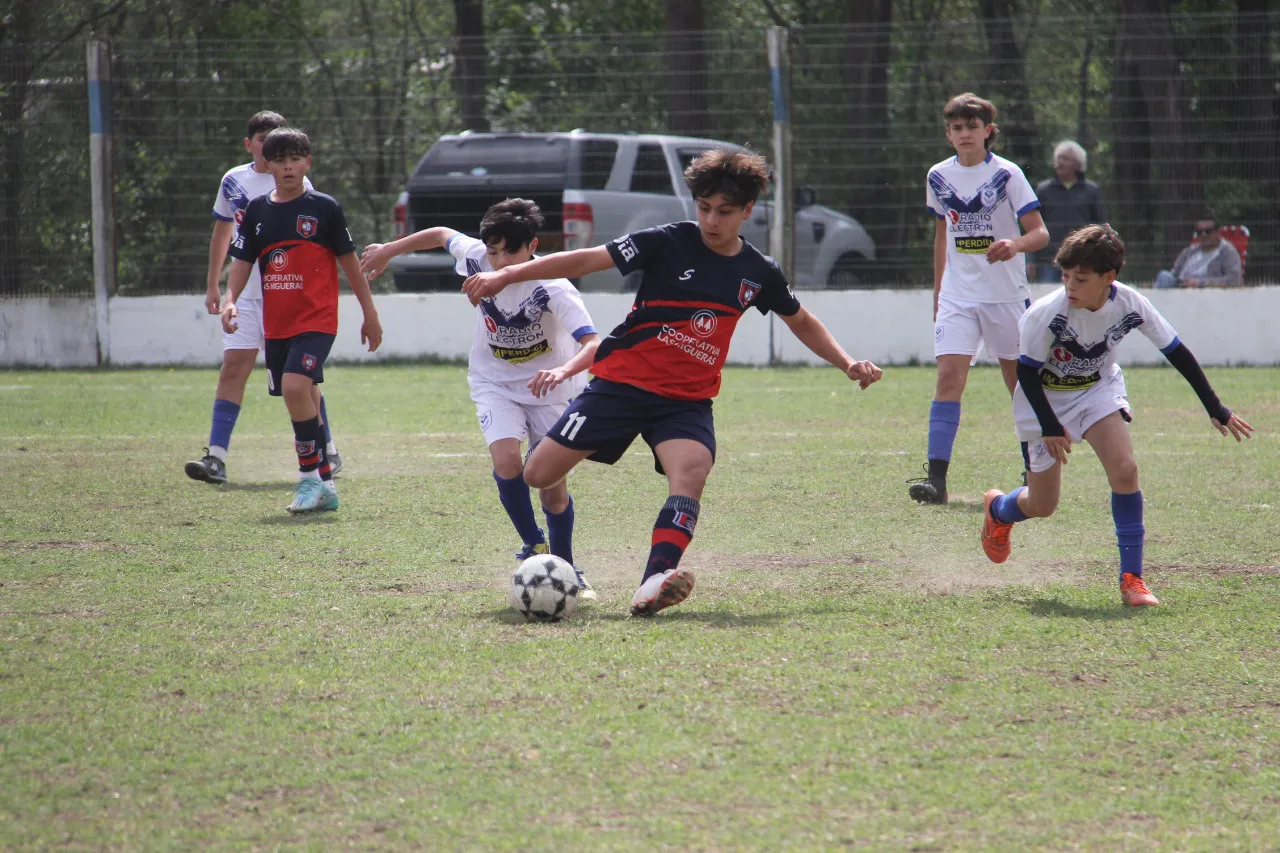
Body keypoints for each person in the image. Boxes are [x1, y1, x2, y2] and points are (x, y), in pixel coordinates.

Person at [462, 148, 883, 617]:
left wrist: (847, 362)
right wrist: (509, 274)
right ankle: (559, 544)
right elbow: (585, 260)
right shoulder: (666, 240)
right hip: (621, 385)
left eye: (724, 211)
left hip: (685, 400)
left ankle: (654, 581)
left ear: (747, 211)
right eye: (704, 208)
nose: (711, 220)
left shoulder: (758, 271)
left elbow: (800, 320)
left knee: (692, 472)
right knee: (538, 474)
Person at [981, 224, 1252, 606]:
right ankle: (999, 509)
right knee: (1043, 505)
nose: (1069, 286)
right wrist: (1050, 426)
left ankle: (1132, 579)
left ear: (1109, 277)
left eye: (1080, 279)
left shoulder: (1130, 304)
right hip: (1045, 400)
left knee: (1125, 470)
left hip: (1096, 391)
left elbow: (1175, 351)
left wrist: (1216, 408)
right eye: (1065, 276)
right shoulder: (1047, 314)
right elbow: (1026, 373)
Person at [359, 199, 602, 600]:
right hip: (495, 383)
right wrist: (388, 249)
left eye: (510, 253)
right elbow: (441, 235)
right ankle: (534, 545)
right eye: (493, 251)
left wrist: (562, 371)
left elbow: (593, 343)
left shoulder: (553, 286)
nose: (499, 262)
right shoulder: (476, 258)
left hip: (551, 391)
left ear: (533, 247)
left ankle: (567, 568)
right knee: (507, 463)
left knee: (551, 487)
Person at [220, 128, 382, 513]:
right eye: (280, 160)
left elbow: (350, 264)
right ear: (267, 165)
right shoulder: (257, 211)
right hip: (277, 323)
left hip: (317, 319)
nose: (288, 167)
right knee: (303, 395)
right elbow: (241, 262)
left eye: (295, 159)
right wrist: (230, 301)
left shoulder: (324, 207)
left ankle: (309, 478)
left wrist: (370, 314)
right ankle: (326, 485)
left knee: (295, 387)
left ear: (308, 163)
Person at [186, 111, 344, 485]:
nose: (274, 148)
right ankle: (216, 458)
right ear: (251, 144)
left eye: (279, 139)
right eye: (264, 139)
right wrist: (216, 287)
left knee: (302, 380)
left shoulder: (300, 183)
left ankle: (326, 451)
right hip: (245, 297)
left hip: (287, 295)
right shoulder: (233, 181)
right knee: (234, 367)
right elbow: (224, 233)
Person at [908, 93, 1050, 505]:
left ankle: (1034, 470)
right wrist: (939, 293)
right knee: (948, 378)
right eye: (957, 128)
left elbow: (1040, 233)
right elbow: (942, 236)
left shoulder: (1007, 174)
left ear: (988, 131)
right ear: (948, 134)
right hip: (958, 297)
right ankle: (936, 481)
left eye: (972, 127)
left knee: (1019, 384)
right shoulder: (938, 176)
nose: (965, 134)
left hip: (1005, 297)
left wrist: (1015, 244)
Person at [1029, 140, 1106, 284]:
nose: (1059, 162)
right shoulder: (1043, 190)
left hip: (1082, 259)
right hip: (1049, 260)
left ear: (1078, 163)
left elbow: (1100, 226)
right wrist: (1031, 259)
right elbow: (1032, 226)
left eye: (1065, 158)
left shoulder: (1091, 191)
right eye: (1058, 158)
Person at [1154, 217, 1243, 288]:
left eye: (1208, 231)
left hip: (1206, 293)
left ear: (1218, 232)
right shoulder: (1188, 251)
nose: (1203, 235)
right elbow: (1174, 274)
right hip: (1180, 288)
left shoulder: (1228, 253)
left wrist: (1200, 283)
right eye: (1199, 232)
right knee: (1164, 276)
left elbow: (1233, 280)